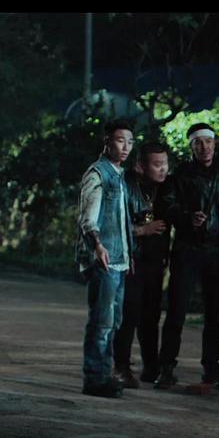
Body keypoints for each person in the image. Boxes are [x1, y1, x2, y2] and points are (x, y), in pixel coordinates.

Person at [155, 123, 219, 391]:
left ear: (214, 144)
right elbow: (166, 206)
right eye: (198, 143)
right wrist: (188, 218)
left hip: (217, 250)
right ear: (191, 147)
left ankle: (212, 370)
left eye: (208, 141)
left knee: (215, 314)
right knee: (177, 310)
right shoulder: (180, 175)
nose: (204, 147)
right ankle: (166, 368)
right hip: (187, 248)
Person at [75, 119, 136, 399]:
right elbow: (88, 217)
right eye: (121, 140)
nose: (126, 147)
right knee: (101, 322)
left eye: (130, 142)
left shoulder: (120, 175)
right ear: (107, 141)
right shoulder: (97, 173)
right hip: (104, 260)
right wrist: (97, 246)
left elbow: (122, 221)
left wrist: (128, 255)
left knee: (114, 321)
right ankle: (94, 378)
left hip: (119, 261)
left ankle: (104, 374)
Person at [112, 141, 172, 388]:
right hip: (131, 259)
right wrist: (141, 230)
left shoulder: (167, 188)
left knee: (151, 315)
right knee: (129, 313)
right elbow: (113, 221)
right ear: (140, 166)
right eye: (156, 164)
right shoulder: (125, 185)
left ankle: (151, 366)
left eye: (165, 163)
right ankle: (121, 366)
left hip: (155, 261)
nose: (162, 169)